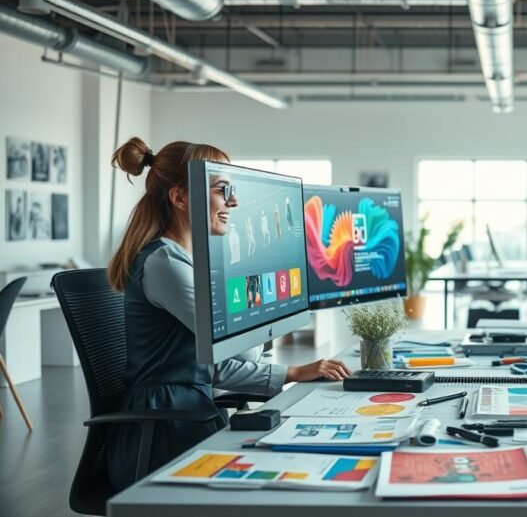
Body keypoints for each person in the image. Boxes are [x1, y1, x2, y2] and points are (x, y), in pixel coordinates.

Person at [106, 137, 351, 492]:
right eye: (223, 190)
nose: (234, 202)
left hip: (193, 409)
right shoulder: (166, 265)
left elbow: (225, 357)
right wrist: (293, 368)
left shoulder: (189, 262)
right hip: (165, 426)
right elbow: (231, 353)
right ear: (180, 198)